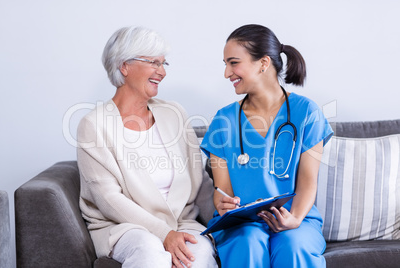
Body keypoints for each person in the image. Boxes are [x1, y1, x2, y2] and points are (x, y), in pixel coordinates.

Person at [77, 26, 218, 268]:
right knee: (150, 251)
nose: (162, 72)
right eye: (154, 62)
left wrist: (224, 217)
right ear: (124, 66)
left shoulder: (174, 113)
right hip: (125, 228)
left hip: (181, 222)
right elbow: (109, 198)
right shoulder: (94, 125)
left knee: (199, 253)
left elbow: (201, 183)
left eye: (164, 64)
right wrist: (164, 235)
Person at [200, 24, 333, 267]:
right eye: (225, 64)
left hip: (295, 217)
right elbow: (223, 191)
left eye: (233, 62)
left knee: (294, 245)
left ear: (263, 63)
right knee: (248, 243)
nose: (227, 73)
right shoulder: (224, 121)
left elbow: (307, 182)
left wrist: (294, 219)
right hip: (241, 224)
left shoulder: (307, 112)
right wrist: (222, 202)